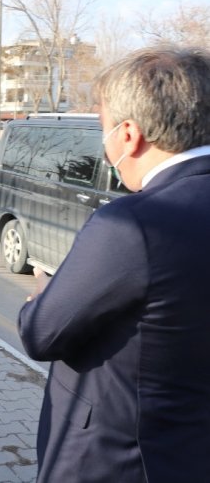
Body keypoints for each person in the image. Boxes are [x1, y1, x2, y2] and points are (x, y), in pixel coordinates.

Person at [18, 46, 210, 482]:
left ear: (128, 135)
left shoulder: (134, 222)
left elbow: (41, 334)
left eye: (102, 130)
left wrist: (45, 294)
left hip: (122, 459)